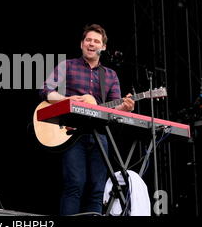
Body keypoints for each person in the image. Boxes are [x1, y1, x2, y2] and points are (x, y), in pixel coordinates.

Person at [40, 23, 134, 215]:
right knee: (74, 185)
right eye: (88, 40)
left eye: (96, 41)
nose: (92, 44)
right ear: (81, 44)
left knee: (97, 190)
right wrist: (66, 100)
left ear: (103, 47)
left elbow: (113, 107)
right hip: (72, 134)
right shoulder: (67, 66)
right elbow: (45, 90)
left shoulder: (110, 75)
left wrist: (124, 107)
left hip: (99, 135)